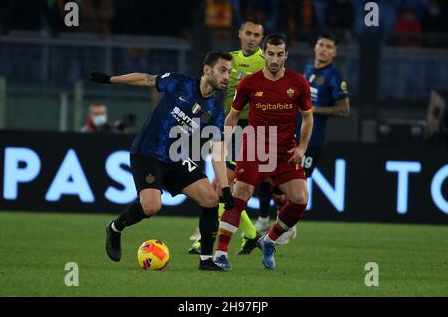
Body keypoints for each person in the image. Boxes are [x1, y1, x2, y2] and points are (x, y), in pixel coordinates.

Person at [89, 51, 235, 271]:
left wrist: (225, 187)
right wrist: (111, 79)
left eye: (229, 72)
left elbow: (217, 149)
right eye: (222, 70)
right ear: (207, 70)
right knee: (151, 206)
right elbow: (147, 79)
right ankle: (115, 228)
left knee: (211, 200)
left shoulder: (214, 110)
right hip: (147, 152)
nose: (227, 77)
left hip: (176, 157)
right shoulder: (180, 83)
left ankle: (206, 260)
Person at [214, 34, 313, 270]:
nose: (275, 59)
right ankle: (220, 253)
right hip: (255, 145)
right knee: (240, 195)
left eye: (280, 54)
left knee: (300, 200)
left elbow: (308, 118)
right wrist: (226, 143)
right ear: (264, 54)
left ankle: (268, 241)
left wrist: (302, 147)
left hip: (284, 150)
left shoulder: (298, 83)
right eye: (271, 54)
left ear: (286, 55)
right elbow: (232, 116)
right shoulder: (249, 83)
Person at [188, 18, 267, 256]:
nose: (252, 38)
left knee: (219, 186)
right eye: (249, 33)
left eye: (257, 35)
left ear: (261, 39)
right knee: (224, 187)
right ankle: (252, 235)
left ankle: (207, 238)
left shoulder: (265, 63)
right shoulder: (228, 61)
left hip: (247, 129)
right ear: (240, 34)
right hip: (224, 126)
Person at [273, 32, 350, 244]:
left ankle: (287, 229)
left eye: (329, 46)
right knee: (277, 187)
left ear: (334, 53)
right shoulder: (308, 70)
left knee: (295, 187)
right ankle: (285, 224)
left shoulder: (334, 75)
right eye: (321, 44)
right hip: (293, 137)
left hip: (312, 142)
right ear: (315, 47)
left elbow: (344, 109)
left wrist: (316, 109)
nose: (324, 49)